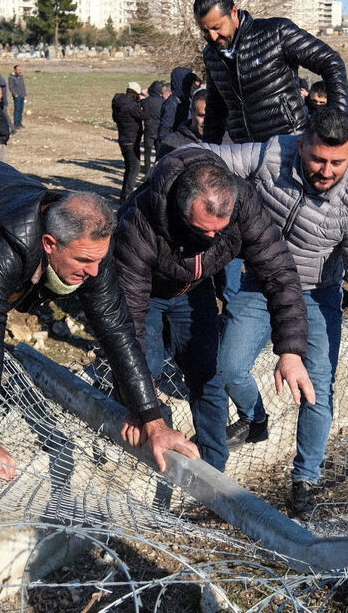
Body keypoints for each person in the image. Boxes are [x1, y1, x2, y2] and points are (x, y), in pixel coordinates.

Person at [0, 154, 198, 481]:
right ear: (50, 243)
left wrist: (153, 420)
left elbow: (116, 329)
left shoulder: (91, 246)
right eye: (83, 261)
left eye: (98, 260)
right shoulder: (5, 243)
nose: (94, 272)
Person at [191, 108, 348, 516]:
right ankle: (255, 418)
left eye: (338, 161)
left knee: (316, 389)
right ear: (302, 144)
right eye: (318, 158)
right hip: (261, 280)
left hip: (318, 294)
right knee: (228, 366)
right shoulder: (273, 154)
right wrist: (173, 159)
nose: (326, 170)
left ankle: (305, 480)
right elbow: (206, 156)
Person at [113, 146, 311, 475]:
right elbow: (128, 320)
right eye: (202, 230)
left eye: (220, 231)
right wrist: (143, 406)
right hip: (147, 292)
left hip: (194, 289)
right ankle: (146, 432)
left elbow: (279, 272)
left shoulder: (244, 202)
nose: (212, 239)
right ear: (179, 209)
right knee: (146, 366)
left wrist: (291, 349)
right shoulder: (139, 222)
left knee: (208, 375)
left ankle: (212, 471)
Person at [194, 0, 348, 144]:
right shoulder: (211, 54)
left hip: (290, 142)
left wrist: (338, 124)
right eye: (205, 31)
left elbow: (331, 62)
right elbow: (215, 110)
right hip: (246, 151)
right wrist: (209, 151)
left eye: (216, 28)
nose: (212, 36)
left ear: (234, 12)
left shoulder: (276, 32)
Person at [112, 82, 150, 200]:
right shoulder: (132, 106)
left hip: (122, 138)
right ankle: (126, 196)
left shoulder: (118, 103)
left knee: (129, 167)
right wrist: (144, 101)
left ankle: (124, 194)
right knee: (134, 168)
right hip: (132, 140)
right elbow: (145, 115)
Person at [142, 80, 166, 170]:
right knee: (158, 151)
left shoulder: (146, 101)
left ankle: (147, 168)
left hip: (149, 128)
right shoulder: (163, 101)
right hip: (159, 128)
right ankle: (158, 168)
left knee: (147, 151)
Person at [8, 64, 27, 129]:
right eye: (18, 70)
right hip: (17, 96)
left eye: (20, 70)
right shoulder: (11, 77)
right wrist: (15, 94)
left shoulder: (20, 77)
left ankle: (19, 122)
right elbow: (11, 87)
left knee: (21, 109)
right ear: (15, 70)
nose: (19, 71)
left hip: (22, 95)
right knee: (17, 109)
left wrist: (24, 94)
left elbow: (23, 86)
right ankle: (16, 123)